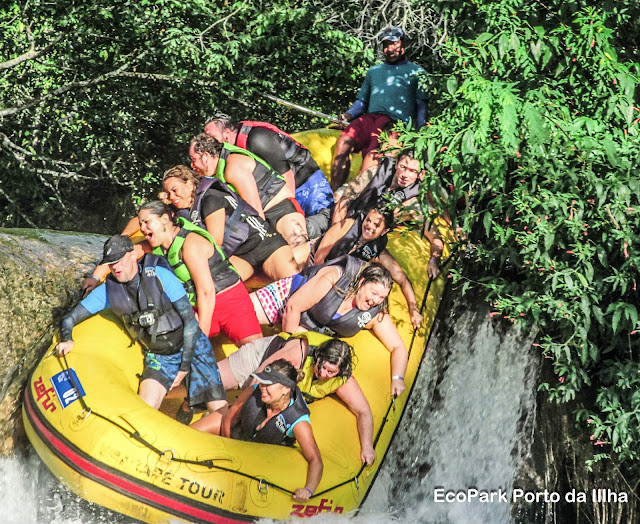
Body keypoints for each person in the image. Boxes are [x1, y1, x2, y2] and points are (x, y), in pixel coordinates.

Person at [56, 235, 227, 414]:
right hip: (160, 358)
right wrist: (67, 339)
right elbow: (69, 319)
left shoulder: (161, 276)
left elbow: (191, 324)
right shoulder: (107, 292)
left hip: (192, 346)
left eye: (119, 260)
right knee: (144, 409)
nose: (115, 267)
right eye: (111, 263)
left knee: (218, 410)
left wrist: (184, 368)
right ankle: (186, 405)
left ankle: (191, 406)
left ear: (132, 255)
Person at [250, 257, 408, 396]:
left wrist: (398, 379)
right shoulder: (335, 278)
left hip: (305, 331)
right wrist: (287, 346)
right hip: (288, 297)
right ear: (361, 283)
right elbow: (293, 307)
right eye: (374, 293)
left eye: (382, 297)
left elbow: (398, 346)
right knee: (240, 314)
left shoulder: (372, 313)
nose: (375, 300)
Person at [214, 332, 376, 465]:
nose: (324, 374)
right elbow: (257, 382)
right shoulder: (296, 357)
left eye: (331, 372)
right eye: (323, 367)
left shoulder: (340, 379)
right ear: (317, 357)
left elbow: (363, 411)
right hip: (264, 357)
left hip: (278, 394)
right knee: (209, 383)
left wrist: (367, 446)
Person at [191, 359, 323, 501]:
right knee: (190, 432)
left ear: (285, 389)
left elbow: (315, 460)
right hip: (238, 431)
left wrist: (308, 490)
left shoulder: (297, 421)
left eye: (268, 384)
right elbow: (230, 417)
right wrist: (227, 449)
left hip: (260, 454)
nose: (262, 387)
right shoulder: (253, 391)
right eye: (262, 382)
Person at [138, 201, 262, 346]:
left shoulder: (190, 243)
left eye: (146, 222)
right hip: (196, 306)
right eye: (140, 224)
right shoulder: (161, 248)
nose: (142, 228)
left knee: (256, 351)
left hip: (229, 302)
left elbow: (206, 291)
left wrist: (200, 334)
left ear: (165, 219)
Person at [160, 165, 307, 279]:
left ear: (190, 184)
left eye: (175, 190)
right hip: (241, 255)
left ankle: (313, 250)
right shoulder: (183, 212)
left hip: (262, 244)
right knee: (223, 286)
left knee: (293, 284)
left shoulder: (211, 199)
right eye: (168, 194)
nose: (172, 196)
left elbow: (215, 243)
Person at [330, 26, 429, 191]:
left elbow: (421, 107)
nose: (389, 49)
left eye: (393, 44)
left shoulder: (417, 72)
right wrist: (347, 115)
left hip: (394, 124)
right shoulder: (374, 71)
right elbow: (361, 102)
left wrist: (421, 134)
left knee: (372, 156)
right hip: (370, 119)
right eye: (385, 45)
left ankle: (356, 198)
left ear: (403, 44)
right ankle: (335, 193)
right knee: (343, 142)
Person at [189, 133, 309, 249]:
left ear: (205, 156)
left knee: (298, 255)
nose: (192, 165)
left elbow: (255, 209)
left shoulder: (233, 167)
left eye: (193, 159)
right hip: (265, 217)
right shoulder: (220, 171)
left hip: (281, 210)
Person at [312, 207, 425, 327]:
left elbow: (402, 279)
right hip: (313, 264)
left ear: (384, 231)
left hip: (331, 281)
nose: (369, 226)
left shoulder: (377, 252)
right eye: (368, 220)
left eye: (376, 225)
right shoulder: (348, 226)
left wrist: (414, 311)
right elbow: (319, 257)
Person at [204, 114, 334, 216]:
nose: (207, 141)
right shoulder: (233, 152)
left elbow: (286, 174)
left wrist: (291, 212)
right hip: (289, 189)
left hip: (308, 184)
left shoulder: (256, 139)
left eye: (210, 136)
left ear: (226, 133)